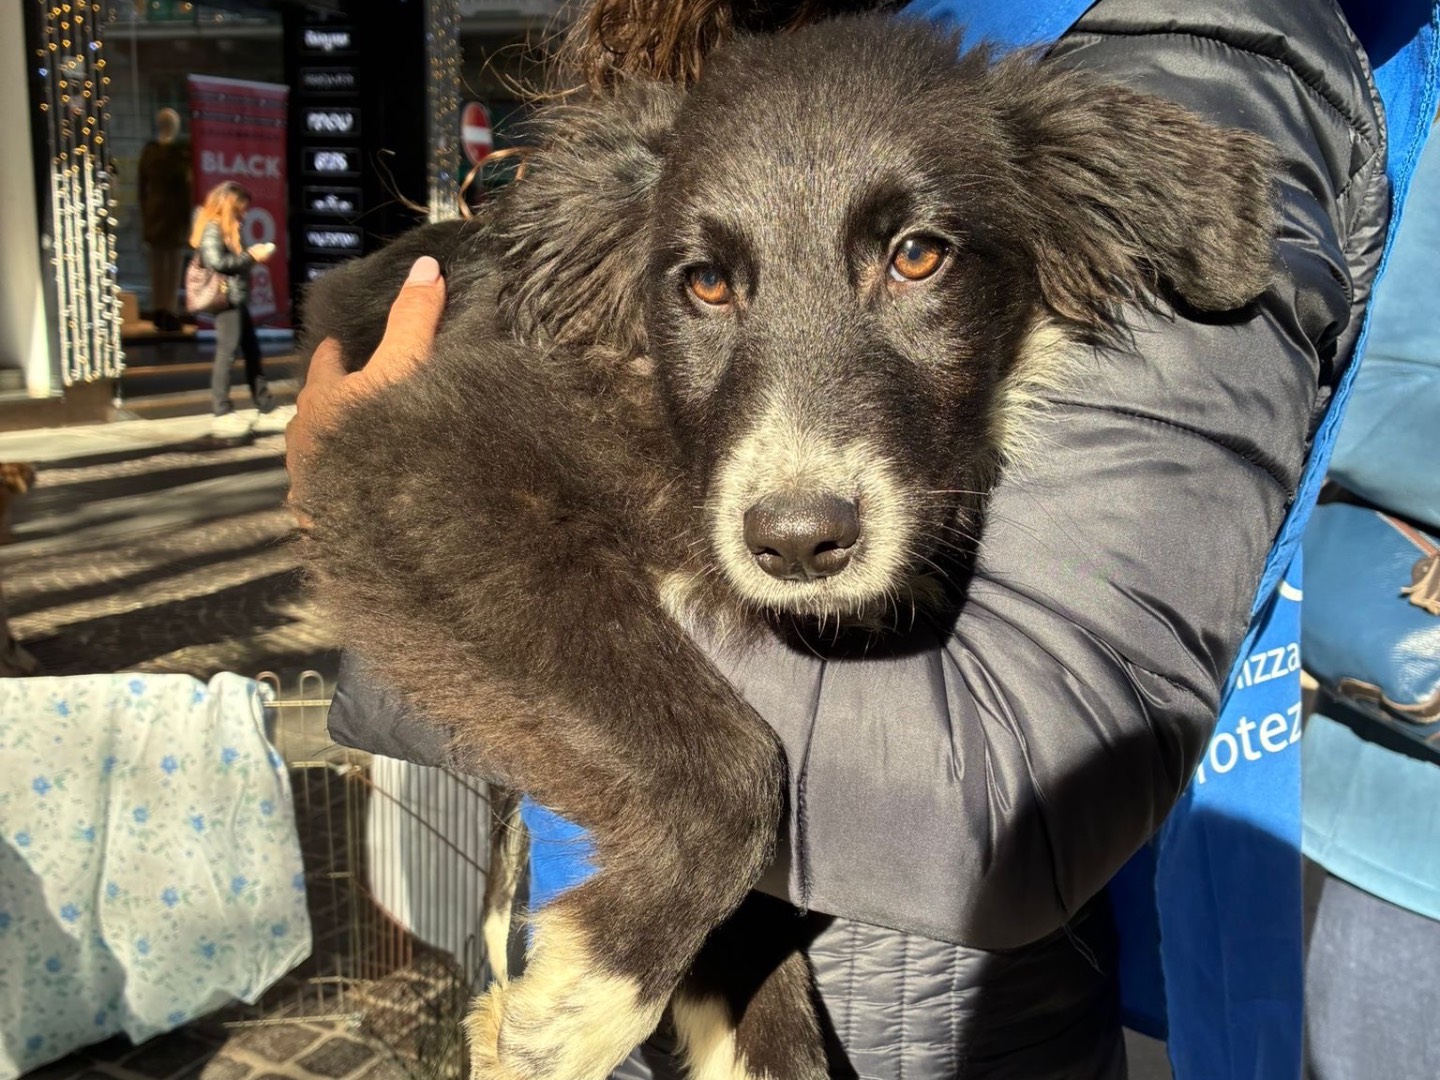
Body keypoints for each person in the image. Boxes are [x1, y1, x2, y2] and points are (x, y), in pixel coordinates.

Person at [288, 0, 1439, 1076]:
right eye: (709, 283)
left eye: (916, 258)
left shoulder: (1157, 46)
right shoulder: (722, 102)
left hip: (934, 1018)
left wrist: (677, 797)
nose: (791, 494)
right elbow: (414, 481)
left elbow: (994, 793)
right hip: (652, 924)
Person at [191, 181, 277, 438]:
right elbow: (216, 262)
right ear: (230, 205)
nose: (245, 214)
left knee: (252, 350)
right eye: (241, 208)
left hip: (235, 297)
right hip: (225, 298)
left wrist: (250, 255)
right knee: (227, 353)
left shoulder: (227, 227)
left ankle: (265, 405)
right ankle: (222, 411)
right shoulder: (213, 227)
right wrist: (252, 256)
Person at [138, 107, 192, 332]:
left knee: (159, 265)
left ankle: (161, 308)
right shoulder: (179, 153)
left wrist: (146, 212)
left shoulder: (149, 152)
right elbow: (186, 187)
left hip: (155, 212)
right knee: (172, 265)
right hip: (174, 214)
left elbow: (142, 187)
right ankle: (168, 309)